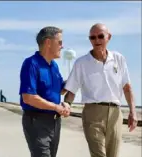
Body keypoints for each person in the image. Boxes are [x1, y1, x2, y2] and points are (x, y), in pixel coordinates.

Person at [63, 23, 138, 157]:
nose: (96, 40)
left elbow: (127, 88)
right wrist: (67, 104)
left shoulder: (119, 59)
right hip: (93, 114)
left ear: (108, 37)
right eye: (92, 37)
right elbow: (72, 90)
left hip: (115, 114)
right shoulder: (81, 63)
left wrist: (133, 112)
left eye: (100, 36)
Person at [19, 26, 70, 157]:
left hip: (54, 122)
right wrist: (56, 107)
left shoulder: (54, 65)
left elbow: (59, 91)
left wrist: (77, 80)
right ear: (48, 42)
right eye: (59, 42)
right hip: (37, 121)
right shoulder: (31, 63)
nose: (62, 46)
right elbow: (28, 97)